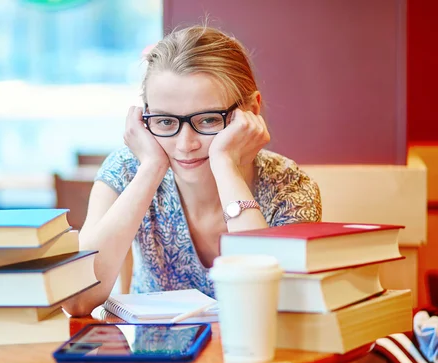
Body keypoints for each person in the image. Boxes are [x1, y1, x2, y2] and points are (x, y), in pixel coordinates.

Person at [63, 24, 322, 318]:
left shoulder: (290, 188)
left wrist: (225, 165)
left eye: (209, 120)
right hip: (152, 358)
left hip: (252, 356)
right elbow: (77, 301)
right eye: (164, 122)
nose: (185, 145)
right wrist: (150, 169)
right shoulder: (126, 170)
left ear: (251, 110)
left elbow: (273, 308)